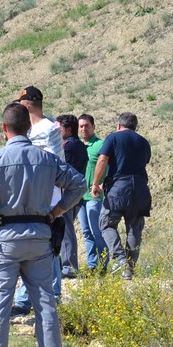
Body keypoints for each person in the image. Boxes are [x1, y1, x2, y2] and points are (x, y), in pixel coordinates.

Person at [0, 102, 86, 347]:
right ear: (30, 127)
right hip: (40, 237)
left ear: (5, 129)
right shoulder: (47, 159)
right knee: (45, 303)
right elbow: (79, 185)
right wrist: (57, 211)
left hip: (5, 241)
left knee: (0, 305)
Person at [12, 86, 64, 316]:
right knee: (31, 246)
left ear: (27, 105)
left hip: (47, 198)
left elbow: (50, 163)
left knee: (49, 248)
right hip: (29, 197)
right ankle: (26, 298)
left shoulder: (49, 128)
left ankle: (53, 296)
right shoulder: (29, 130)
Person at [90, 112, 152, 281]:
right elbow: (134, 165)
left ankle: (120, 259)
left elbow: (103, 160)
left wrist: (96, 184)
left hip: (119, 190)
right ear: (135, 126)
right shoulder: (144, 142)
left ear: (118, 125)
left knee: (106, 223)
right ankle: (129, 270)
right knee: (134, 227)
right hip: (140, 190)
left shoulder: (113, 138)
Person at [57, 115, 88, 278]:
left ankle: (69, 266)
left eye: (60, 129)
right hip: (75, 193)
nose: (58, 132)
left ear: (68, 130)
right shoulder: (79, 145)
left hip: (68, 192)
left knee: (67, 229)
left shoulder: (69, 147)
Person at [78, 114, 108, 273]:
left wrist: (102, 184)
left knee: (97, 232)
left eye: (87, 125)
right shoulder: (78, 146)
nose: (84, 129)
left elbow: (109, 167)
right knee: (86, 232)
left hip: (95, 196)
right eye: (81, 126)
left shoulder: (101, 145)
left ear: (93, 126)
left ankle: (103, 265)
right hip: (80, 197)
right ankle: (92, 266)